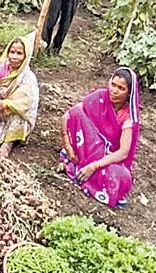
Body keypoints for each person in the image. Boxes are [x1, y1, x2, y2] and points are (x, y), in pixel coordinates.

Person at [60, 67, 141, 208]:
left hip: (107, 157)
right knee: (76, 114)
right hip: (87, 147)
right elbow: (68, 115)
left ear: (129, 93)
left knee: (120, 175)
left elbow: (123, 153)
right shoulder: (100, 97)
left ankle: (78, 168)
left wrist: (93, 166)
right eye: (113, 85)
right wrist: (68, 146)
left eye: (121, 88)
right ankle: (74, 162)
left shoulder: (127, 118)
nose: (114, 91)